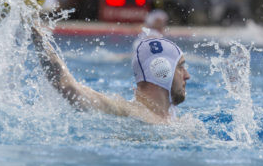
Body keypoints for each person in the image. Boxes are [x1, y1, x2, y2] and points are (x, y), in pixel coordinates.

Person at [32, 27, 190, 124]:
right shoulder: (127, 112)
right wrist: (36, 34)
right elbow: (68, 87)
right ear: (161, 69)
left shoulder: (177, 121)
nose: (187, 75)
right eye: (181, 67)